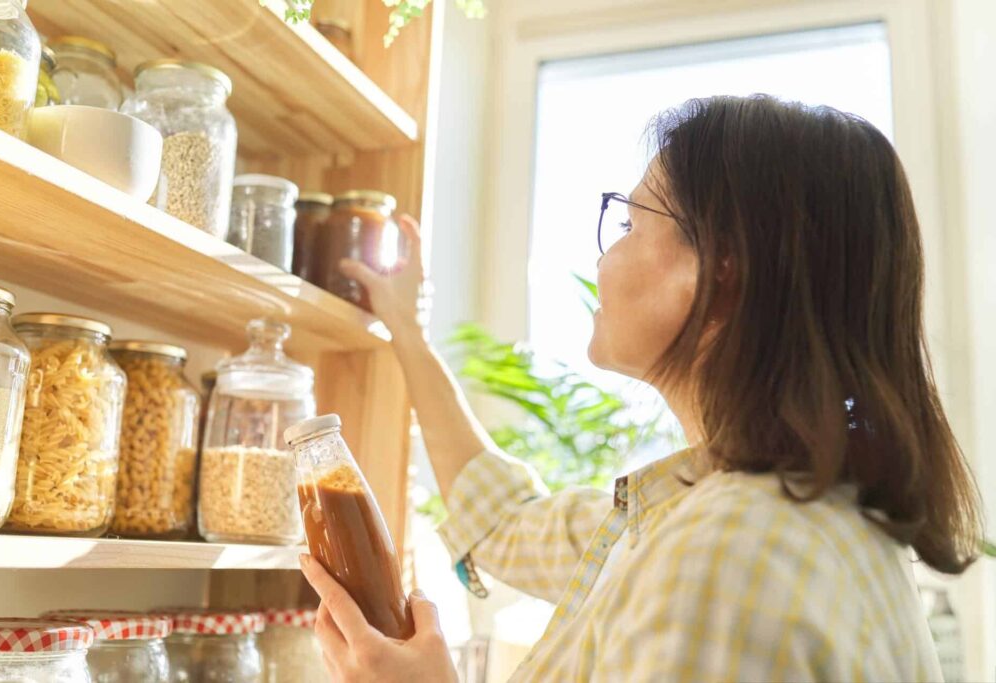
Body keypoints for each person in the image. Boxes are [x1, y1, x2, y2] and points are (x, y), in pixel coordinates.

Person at [299, 95, 983, 682]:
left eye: (628, 223)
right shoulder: (729, 507)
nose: (604, 256)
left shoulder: (728, 553)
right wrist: (406, 329)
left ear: (722, 270)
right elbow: (503, 518)